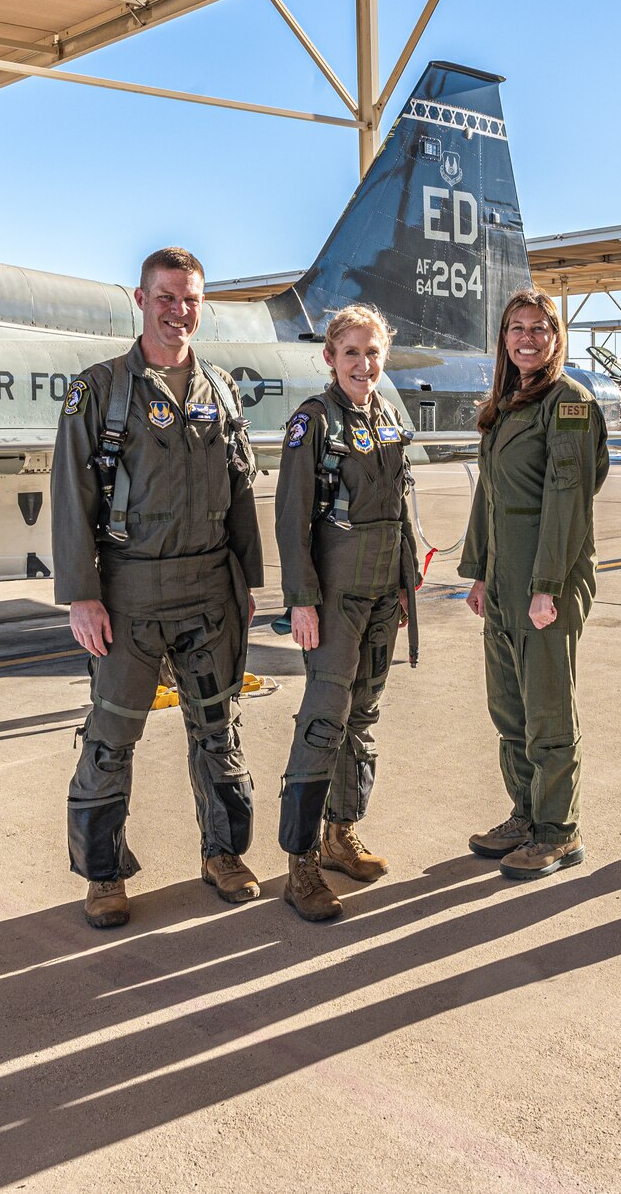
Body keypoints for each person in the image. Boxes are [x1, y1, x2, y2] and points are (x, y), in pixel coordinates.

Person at [51, 246, 264, 929]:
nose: (180, 311)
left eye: (191, 298)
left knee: (218, 731)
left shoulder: (222, 391)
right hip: (129, 592)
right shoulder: (101, 389)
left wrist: (248, 585)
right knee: (111, 739)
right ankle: (104, 875)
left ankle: (225, 854)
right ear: (141, 301)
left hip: (209, 590)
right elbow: (71, 495)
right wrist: (82, 594)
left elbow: (240, 496)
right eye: (167, 297)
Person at [271, 305, 422, 921]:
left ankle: (341, 833)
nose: (365, 364)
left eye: (374, 353)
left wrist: (408, 587)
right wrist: (301, 601)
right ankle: (300, 863)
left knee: (362, 720)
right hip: (334, 601)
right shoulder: (314, 423)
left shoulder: (387, 417)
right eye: (352, 353)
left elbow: (401, 509)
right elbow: (291, 519)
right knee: (323, 722)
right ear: (330, 357)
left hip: (385, 593)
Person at [460, 288, 609, 880]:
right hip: (503, 578)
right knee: (510, 708)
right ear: (504, 338)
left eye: (539, 328)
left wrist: (546, 585)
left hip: (546, 577)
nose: (526, 338)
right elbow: (488, 495)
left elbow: (567, 501)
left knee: (548, 708)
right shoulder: (507, 404)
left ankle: (557, 830)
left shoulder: (567, 404)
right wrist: (477, 573)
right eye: (516, 328)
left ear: (556, 337)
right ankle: (525, 813)